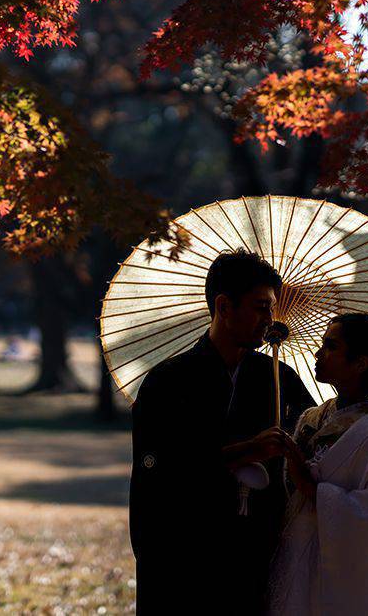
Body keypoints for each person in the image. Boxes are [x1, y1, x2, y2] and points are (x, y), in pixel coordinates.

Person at [129, 249, 315, 614]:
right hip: (184, 555)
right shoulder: (168, 381)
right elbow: (159, 472)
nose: (269, 319)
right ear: (224, 306)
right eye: (260, 307)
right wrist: (244, 451)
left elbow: (314, 445)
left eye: (271, 308)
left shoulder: (279, 378)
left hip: (258, 550)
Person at [266, 313, 368, 615]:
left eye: (331, 346)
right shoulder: (313, 418)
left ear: (360, 363)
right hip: (293, 552)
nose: (318, 353)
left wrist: (305, 478)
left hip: (337, 570)